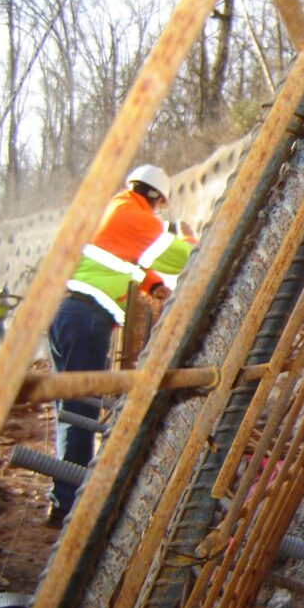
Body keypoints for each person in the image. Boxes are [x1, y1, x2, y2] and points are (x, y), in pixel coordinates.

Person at [46, 164, 194, 527]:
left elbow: (128, 264)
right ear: (156, 198)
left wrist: (155, 286)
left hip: (64, 313)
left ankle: (63, 501)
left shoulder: (116, 211)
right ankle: (70, 507)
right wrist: (189, 239)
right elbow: (181, 257)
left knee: (70, 410)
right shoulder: (137, 216)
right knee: (80, 411)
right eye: (160, 206)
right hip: (85, 318)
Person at [0, 285, 21, 352]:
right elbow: (7, 305)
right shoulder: (1, 301)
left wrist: (17, 302)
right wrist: (17, 302)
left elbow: (10, 307)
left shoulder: (1, 301)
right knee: (0, 336)